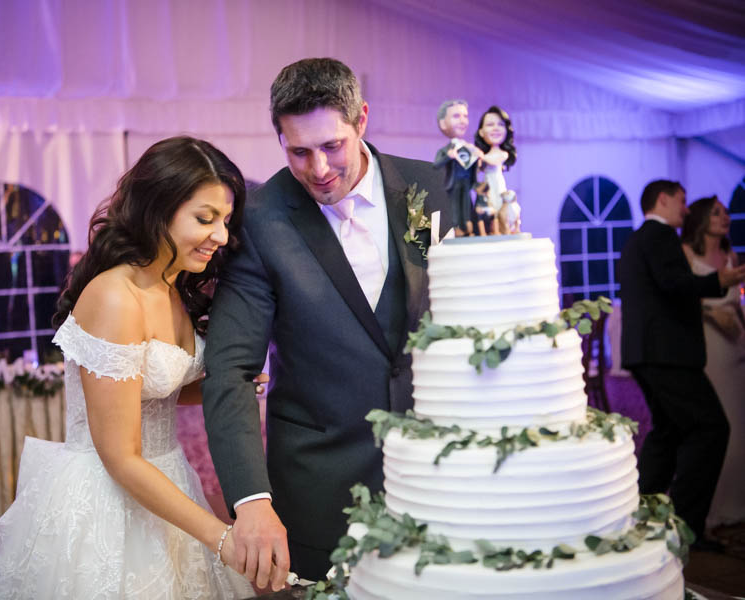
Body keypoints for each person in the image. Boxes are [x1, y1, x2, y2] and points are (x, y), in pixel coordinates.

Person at [202, 57, 449, 589]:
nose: (318, 169)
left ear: (361, 119)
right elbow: (230, 369)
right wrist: (251, 499)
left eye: (332, 145)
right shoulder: (261, 220)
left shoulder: (432, 188)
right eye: (299, 151)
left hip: (439, 474)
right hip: (320, 484)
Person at [0, 137, 254, 599]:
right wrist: (220, 535)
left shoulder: (173, 286)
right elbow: (120, 456)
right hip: (110, 498)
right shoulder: (114, 297)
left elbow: (153, 389)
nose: (221, 236)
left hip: (168, 481)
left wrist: (229, 385)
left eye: (225, 221)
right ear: (157, 209)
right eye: (205, 219)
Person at [619, 179, 745, 549]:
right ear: (663, 200)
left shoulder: (637, 239)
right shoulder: (659, 237)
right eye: (682, 201)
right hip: (668, 354)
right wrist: (718, 280)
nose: (687, 210)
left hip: (648, 353)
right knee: (711, 429)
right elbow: (674, 283)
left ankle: (641, 516)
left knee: (668, 433)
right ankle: (686, 526)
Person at [681, 196, 745, 528]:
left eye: (726, 213)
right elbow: (679, 297)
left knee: (740, 427)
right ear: (703, 219)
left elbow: (737, 304)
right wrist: (709, 311)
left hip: (736, 347)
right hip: (708, 348)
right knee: (716, 427)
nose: (725, 217)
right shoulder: (687, 254)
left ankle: (737, 503)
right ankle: (711, 507)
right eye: (716, 212)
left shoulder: (731, 256)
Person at [433, 99, 480, 237]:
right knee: (454, 208)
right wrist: (449, 156)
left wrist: (478, 159)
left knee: (466, 206)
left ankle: (468, 228)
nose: (462, 120)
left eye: (465, 116)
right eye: (456, 116)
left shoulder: (468, 148)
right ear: (443, 123)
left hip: (466, 184)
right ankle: (456, 228)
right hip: (452, 185)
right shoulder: (446, 150)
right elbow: (436, 164)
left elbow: (473, 167)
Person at [473, 105, 519, 235]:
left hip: (497, 183)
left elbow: (493, 160)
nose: (495, 128)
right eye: (490, 124)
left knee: (500, 204)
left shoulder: (501, 154)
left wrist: (481, 157)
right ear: (481, 132)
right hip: (487, 184)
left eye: (500, 124)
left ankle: (504, 228)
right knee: (487, 205)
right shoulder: (482, 157)